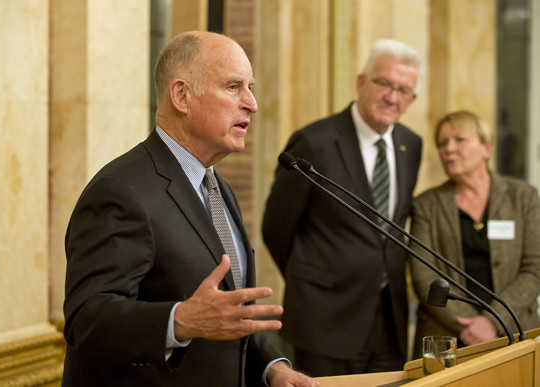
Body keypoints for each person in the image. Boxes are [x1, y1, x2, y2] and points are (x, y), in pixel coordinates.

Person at [62, 31, 318, 387]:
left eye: (250, 87)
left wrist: (271, 367)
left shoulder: (217, 187)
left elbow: (223, 314)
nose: (252, 103)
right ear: (181, 95)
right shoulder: (121, 191)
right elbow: (86, 318)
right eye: (233, 87)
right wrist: (179, 320)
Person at [262, 39, 424, 376]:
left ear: (412, 100)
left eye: (403, 90)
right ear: (362, 82)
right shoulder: (314, 142)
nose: (392, 97)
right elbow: (276, 228)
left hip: (389, 320)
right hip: (324, 322)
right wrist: (315, 281)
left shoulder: (412, 144)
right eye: (384, 83)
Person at [409, 110, 540, 358]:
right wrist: (469, 326)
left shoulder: (523, 197)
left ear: (486, 149)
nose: (448, 149)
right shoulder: (427, 204)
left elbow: (534, 268)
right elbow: (423, 276)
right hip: (446, 338)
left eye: (459, 140)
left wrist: (492, 321)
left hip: (514, 333)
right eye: (442, 143)